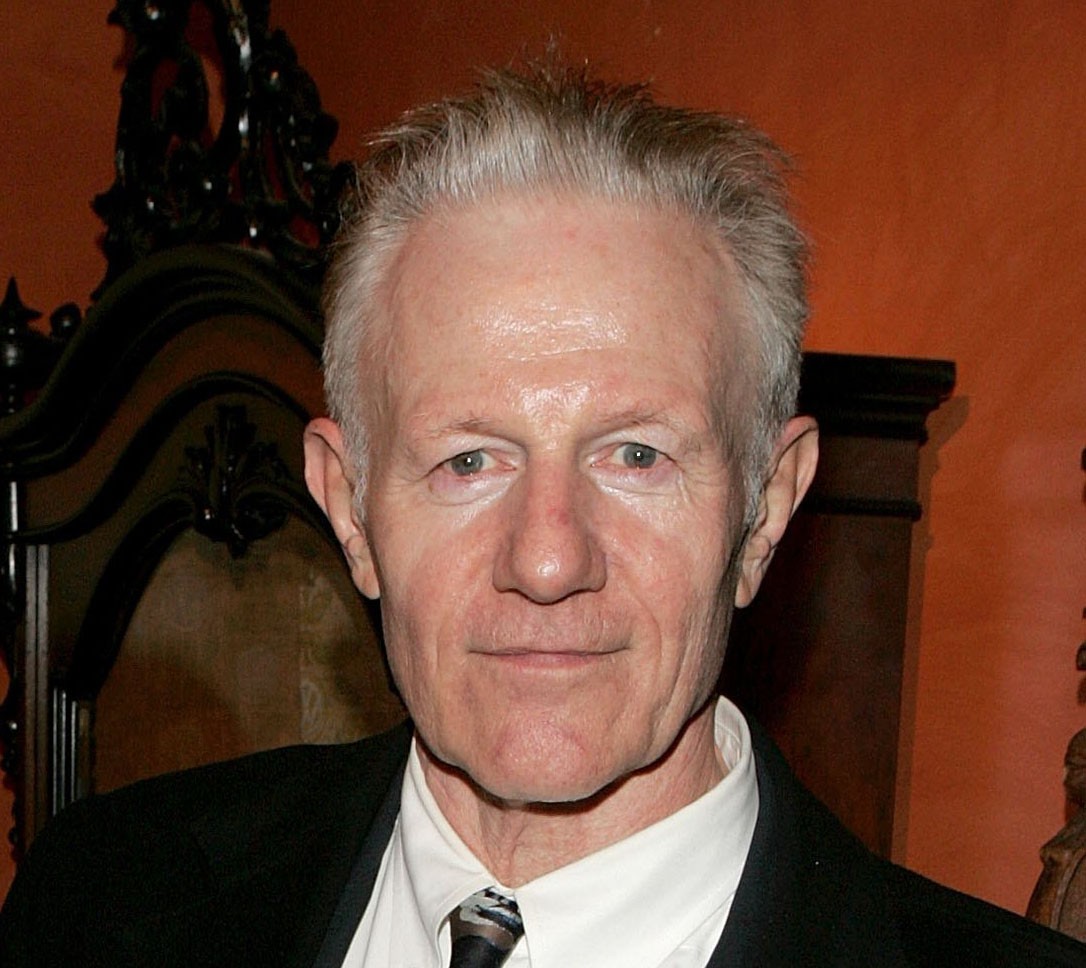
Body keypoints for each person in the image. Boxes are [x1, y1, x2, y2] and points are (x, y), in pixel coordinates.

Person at [1, 64, 1083, 968]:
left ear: (765, 509)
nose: (550, 558)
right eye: (469, 459)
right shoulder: (100, 899)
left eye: (637, 455)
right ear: (349, 508)